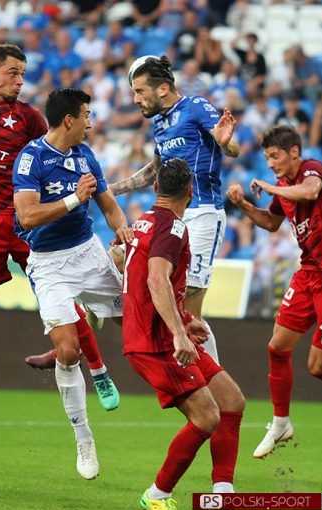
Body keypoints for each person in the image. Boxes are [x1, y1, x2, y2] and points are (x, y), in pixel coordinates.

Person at [0, 13, 119, 424]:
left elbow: (57, 148)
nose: (19, 81)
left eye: (23, 74)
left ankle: (99, 371)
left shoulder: (29, 118)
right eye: (13, 73)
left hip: (23, 220)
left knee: (63, 290)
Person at [124, 158, 268, 510]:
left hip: (161, 333)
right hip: (156, 343)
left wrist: (186, 320)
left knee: (232, 401)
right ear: (190, 192)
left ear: (155, 188)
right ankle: (156, 495)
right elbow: (156, 280)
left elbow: (146, 283)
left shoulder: (145, 220)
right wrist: (178, 333)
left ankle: (223, 496)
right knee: (206, 416)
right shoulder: (172, 229)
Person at [226, 125, 322, 459]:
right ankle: (281, 422)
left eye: (274, 156)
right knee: (277, 346)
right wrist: (243, 203)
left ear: (294, 153)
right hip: (308, 275)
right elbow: (271, 222)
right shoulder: (286, 188)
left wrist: (269, 186)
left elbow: (310, 193)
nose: (270, 164)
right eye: (267, 158)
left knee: (318, 366)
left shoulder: (312, 170)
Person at [12, 89, 131, 479]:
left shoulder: (85, 156)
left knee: (133, 324)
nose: (90, 123)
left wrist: (122, 229)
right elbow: (27, 217)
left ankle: (97, 312)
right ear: (69, 120)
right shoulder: (31, 158)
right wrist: (73, 200)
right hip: (49, 265)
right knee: (67, 351)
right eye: (86, 116)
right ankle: (84, 439)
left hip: (88, 254)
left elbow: (109, 206)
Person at [109, 55, 239, 367]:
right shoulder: (159, 123)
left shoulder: (195, 106)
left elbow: (228, 145)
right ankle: (105, 306)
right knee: (120, 258)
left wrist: (226, 143)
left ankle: (211, 378)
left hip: (203, 213)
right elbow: (154, 171)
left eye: (140, 91)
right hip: (172, 217)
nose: (135, 99)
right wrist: (111, 189)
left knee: (190, 306)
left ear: (163, 89)